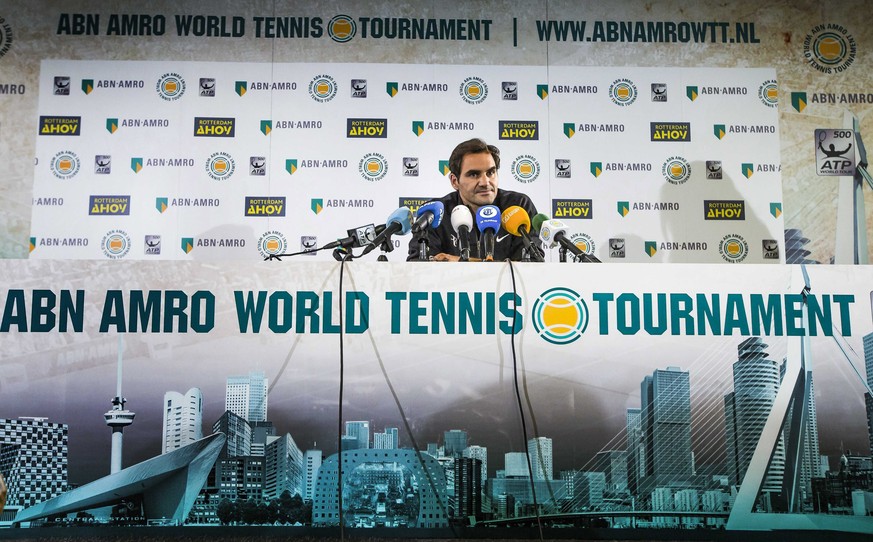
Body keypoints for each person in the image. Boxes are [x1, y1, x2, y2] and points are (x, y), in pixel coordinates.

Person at [407, 138, 539, 261]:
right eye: (474, 174)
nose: (485, 182)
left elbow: (530, 267)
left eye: (491, 172)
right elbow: (419, 268)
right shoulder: (434, 214)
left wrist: (460, 261)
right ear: (454, 181)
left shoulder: (518, 206)